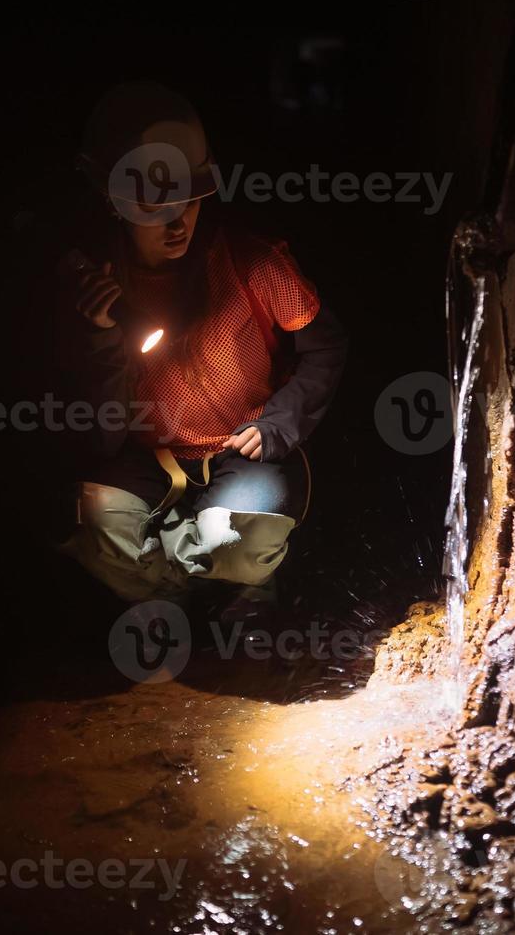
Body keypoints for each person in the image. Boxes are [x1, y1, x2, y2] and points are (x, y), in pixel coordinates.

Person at [57, 81, 347, 613]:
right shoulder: (99, 290)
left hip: (239, 449)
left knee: (237, 534)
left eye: (190, 200)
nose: (178, 222)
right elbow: (100, 436)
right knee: (90, 521)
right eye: (155, 207)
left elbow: (325, 346)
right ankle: (206, 592)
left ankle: (225, 571)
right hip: (151, 459)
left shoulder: (252, 263)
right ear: (114, 204)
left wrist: (279, 423)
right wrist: (100, 337)